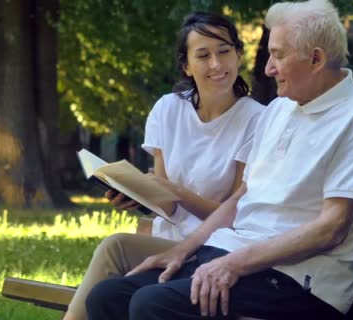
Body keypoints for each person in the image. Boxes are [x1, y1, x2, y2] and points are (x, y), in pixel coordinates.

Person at [84, 0, 353, 319]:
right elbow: (241, 197)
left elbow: (330, 229)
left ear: (316, 58)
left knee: (151, 305)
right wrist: (182, 250)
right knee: (108, 297)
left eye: (278, 55)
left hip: (301, 283)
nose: (268, 68)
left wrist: (234, 264)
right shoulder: (280, 109)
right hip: (237, 255)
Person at [62, 12, 264, 320]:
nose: (216, 64)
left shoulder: (257, 120)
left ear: (239, 54)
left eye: (224, 51)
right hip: (165, 244)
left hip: (215, 252)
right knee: (112, 269)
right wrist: (136, 196)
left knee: (114, 249)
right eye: (203, 55)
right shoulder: (168, 109)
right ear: (186, 66)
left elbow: (236, 215)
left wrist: (179, 193)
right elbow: (165, 202)